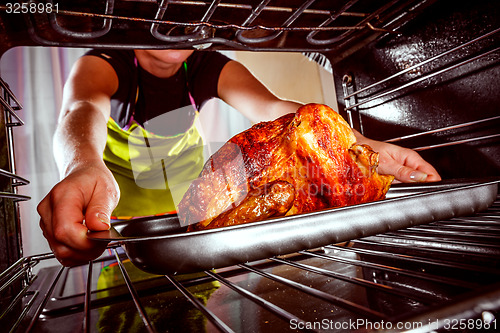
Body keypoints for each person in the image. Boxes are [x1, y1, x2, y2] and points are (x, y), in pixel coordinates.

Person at [37, 49, 441, 267]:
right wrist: (83, 166)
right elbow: (80, 110)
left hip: (195, 199)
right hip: (120, 208)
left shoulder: (207, 64)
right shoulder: (106, 62)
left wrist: (361, 147)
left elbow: (276, 109)